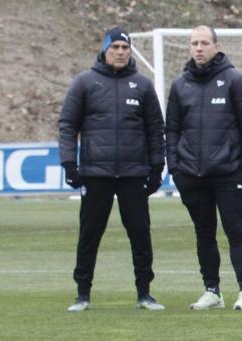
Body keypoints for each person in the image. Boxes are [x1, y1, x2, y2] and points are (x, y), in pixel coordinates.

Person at [58, 26, 166, 312]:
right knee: (89, 234)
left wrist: (157, 167)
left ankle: (144, 293)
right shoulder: (84, 83)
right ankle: (82, 294)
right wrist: (69, 163)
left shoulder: (142, 85)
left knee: (141, 234)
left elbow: (156, 129)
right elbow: (68, 125)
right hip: (96, 174)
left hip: (133, 173)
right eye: (115, 47)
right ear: (104, 50)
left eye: (124, 48)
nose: (120, 52)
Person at [166, 25, 242, 312]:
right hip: (191, 175)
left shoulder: (236, 80)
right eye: (194, 43)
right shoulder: (180, 85)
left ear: (216, 46)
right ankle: (212, 290)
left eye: (204, 42)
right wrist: (175, 167)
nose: (198, 48)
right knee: (203, 232)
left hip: (229, 174)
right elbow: (171, 129)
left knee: (235, 229)